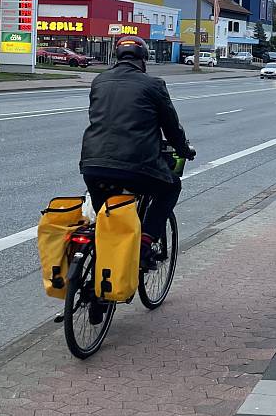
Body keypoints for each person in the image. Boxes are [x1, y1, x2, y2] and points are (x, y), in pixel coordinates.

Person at [80, 36, 194, 265]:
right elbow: (170, 126)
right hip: (136, 167)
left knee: (106, 218)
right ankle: (144, 243)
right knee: (171, 187)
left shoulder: (99, 81)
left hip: (92, 165)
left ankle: (96, 284)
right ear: (144, 60)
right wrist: (184, 149)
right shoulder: (153, 85)